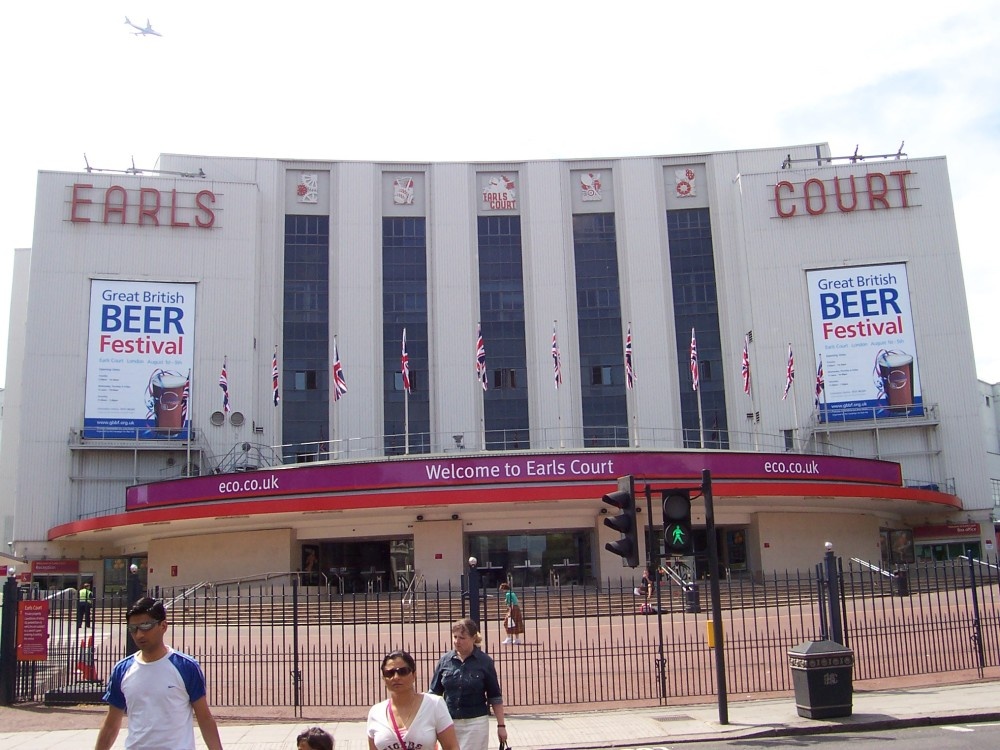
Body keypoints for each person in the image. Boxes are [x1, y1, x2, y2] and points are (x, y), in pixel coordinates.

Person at [95, 597, 223, 750]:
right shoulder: (122, 670)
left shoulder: (186, 667)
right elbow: (111, 725)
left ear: (163, 626)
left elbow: (205, 719)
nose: (139, 635)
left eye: (145, 626)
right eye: (133, 628)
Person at [429, 618, 508, 750]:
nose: (457, 641)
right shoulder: (445, 661)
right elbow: (434, 694)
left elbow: (495, 696)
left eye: (462, 638)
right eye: (455, 637)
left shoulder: (484, 661)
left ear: (473, 638)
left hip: (475, 723)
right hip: (448, 722)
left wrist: (501, 726)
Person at [367, 649, 458, 750]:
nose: (396, 677)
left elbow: (451, 746)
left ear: (414, 675)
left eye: (403, 671)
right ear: (384, 678)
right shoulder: (376, 712)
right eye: (389, 673)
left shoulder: (434, 705)